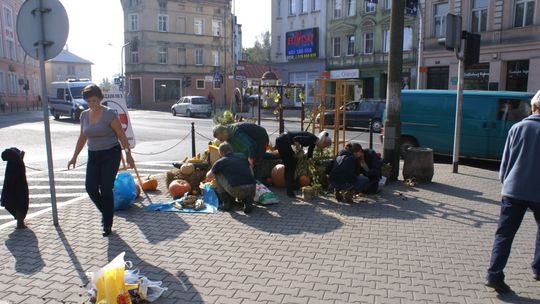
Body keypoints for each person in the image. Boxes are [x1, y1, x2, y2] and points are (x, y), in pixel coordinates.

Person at [485, 90, 540, 294]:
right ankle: (538, 269)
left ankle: (494, 275)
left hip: (513, 190)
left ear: (533, 107)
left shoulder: (517, 127)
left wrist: (505, 184)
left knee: (504, 235)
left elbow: (506, 161)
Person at [67, 84, 135, 237]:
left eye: (94, 100)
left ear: (100, 99)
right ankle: (107, 212)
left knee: (105, 189)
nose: (92, 104)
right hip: (93, 155)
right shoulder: (84, 115)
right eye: (89, 101)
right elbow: (82, 137)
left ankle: (107, 224)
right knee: (90, 188)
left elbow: (121, 135)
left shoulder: (109, 114)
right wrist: (74, 156)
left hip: (110, 154)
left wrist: (128, 154)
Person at [275, 130, 332, 197]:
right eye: (325, 146)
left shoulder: (313, 142)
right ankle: (289, 191)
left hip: (285, 140)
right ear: (323, 142)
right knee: (289, 165)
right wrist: (299, 150)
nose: (324, 148)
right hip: (282, 140)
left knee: (293, 163)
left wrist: (311, 163)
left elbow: (309, 155)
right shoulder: (310, 138)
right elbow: (295, 139)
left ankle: (293, 186)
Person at [206, 143, 256, 214]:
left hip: (236, 190)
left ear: (221, 152)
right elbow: (251, 172)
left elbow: (209, 176)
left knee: (217, 174)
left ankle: (227, 203)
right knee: (245, 177)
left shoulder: (221, 161)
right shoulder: (242, 156)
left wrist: (211, 169)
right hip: (252, 188)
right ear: (231, 150)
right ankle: (248, 202)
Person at [1, 147, 29, 229]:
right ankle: (20, 223)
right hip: (19, 188)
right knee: (21, 203)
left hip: (11, 188)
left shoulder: (11, 162)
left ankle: (19, 221)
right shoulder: (17, 162)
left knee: (15, 203)